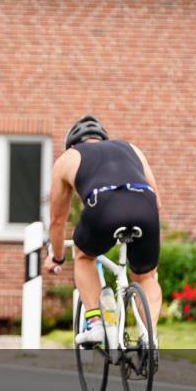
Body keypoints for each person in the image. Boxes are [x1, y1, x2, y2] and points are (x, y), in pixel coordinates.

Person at [43, 115, 162, 348]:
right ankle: (149, 337)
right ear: (104, 139)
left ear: (72, 144)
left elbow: (57, 221)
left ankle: (96, 324)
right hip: (145, 205)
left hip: (104, 205)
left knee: (84, 255)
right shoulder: (132, 149)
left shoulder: (67, 158)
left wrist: (57, 256)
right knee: (146, 277)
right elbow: (157, 200)